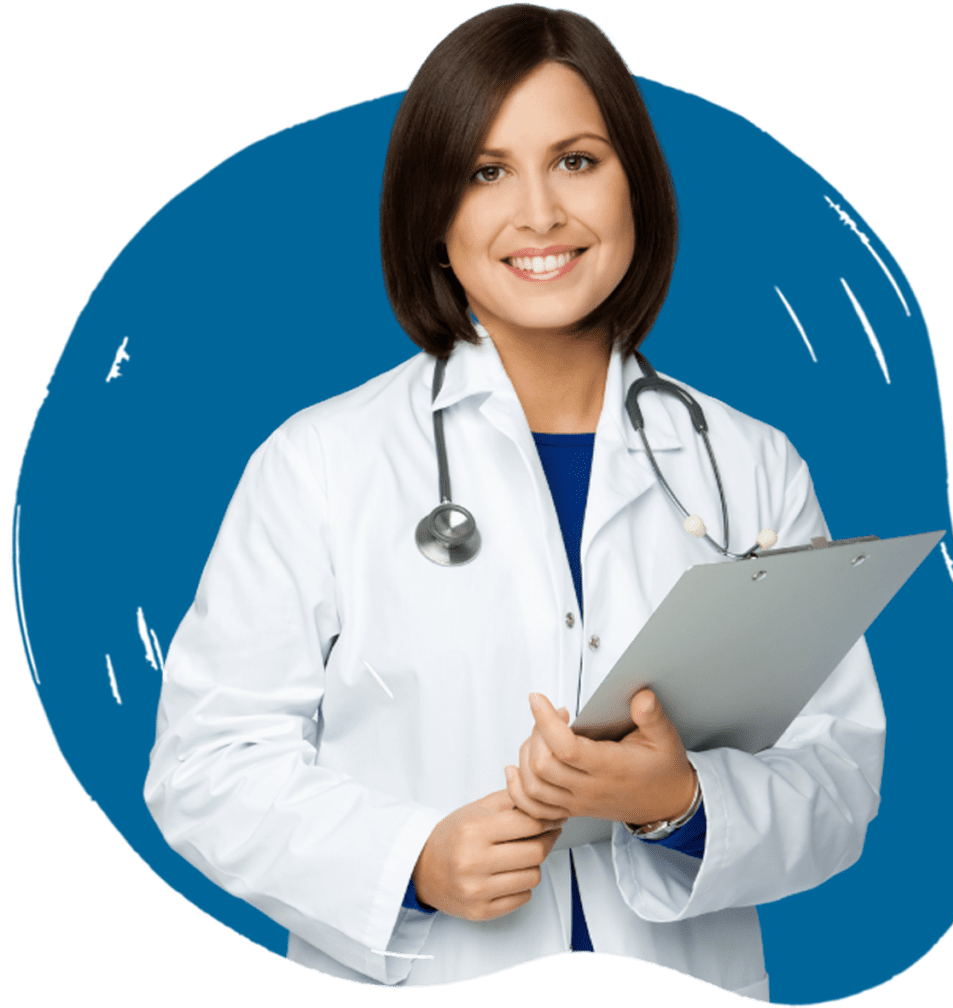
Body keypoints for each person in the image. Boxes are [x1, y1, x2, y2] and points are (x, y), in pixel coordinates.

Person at [144, 5, 884, 1001]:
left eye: (577, 161)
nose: (538, 212)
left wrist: (679, 803)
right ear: (433, 215)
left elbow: (838, 779)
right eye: (486, 171)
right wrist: (411, 858)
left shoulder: (749, 463)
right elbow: (206, 765)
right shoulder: (318, 463)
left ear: (637, 188)